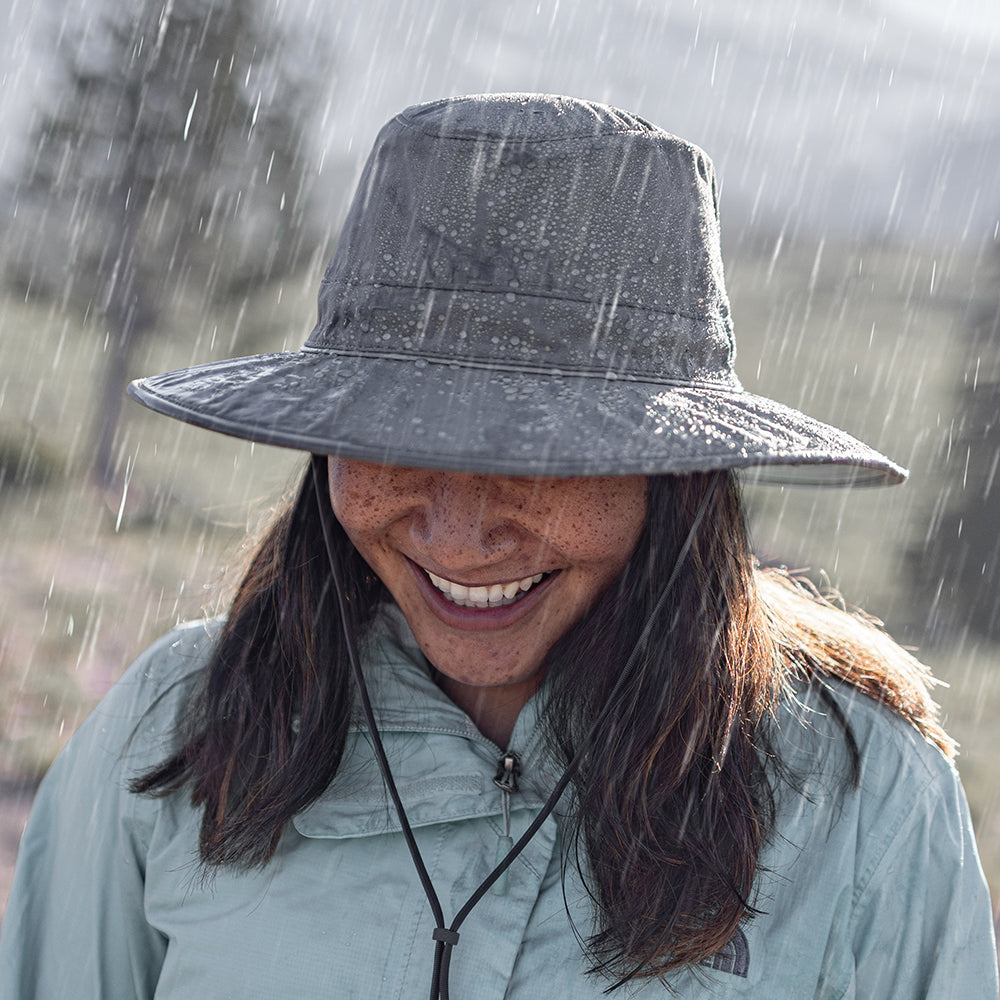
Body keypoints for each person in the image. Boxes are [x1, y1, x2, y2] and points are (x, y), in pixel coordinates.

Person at [0, 93, 996, 999]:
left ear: (675, 477)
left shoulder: (863, 803)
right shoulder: (175, 734)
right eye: (396, 437)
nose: (459, 535)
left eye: (541, 454)